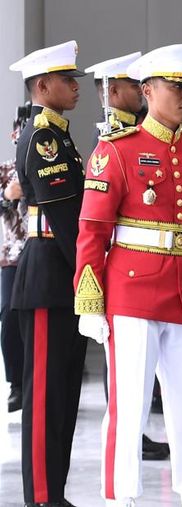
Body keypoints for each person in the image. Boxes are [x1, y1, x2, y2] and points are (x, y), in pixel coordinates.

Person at [73, 43, 182, 507]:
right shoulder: (116, 151)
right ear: (147, 90)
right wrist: (89, 300)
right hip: (132, 294)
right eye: (177, 87)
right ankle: (122, 498)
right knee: (130, 408)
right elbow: (93, 231)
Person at [8, 40, 88, 507]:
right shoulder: (42, 137)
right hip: (49, 276)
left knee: (62, 396)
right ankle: (41, 497)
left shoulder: (59, 134)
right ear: (43, 86)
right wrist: (92, 272)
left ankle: (53, 494)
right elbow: (65, 220)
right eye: (67, 80)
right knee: (44, 400)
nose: (75, 88)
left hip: (62, 276)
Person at [84, 51, 172, 462]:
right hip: (127, 265)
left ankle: (137, 433)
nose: (140, 93)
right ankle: (130, 438)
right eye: (132, 86)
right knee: (122, 368)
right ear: (113, 91)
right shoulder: (113, 141)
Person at [0, 106, 28, 415]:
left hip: (46, 253)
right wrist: (8, 196)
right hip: (12, 256)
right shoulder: (5, 170)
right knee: (9, 315)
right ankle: (16, 384)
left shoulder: (48, 162)